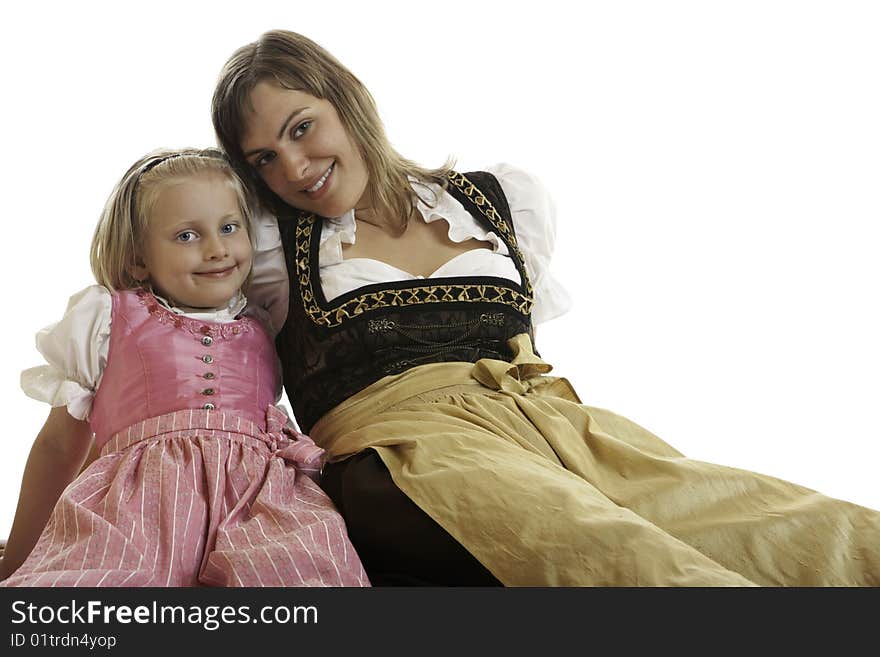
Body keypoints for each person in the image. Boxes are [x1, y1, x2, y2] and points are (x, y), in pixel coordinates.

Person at [211, 29, 880, 586]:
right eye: (266, 159)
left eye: (303, 129)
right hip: (410, 452)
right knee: (630, 560)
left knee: (807, 528)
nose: (296, 168)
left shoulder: (500, 201)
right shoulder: (268, 248)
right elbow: (162, 319)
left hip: (562, 430)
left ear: (346, 99)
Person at [0, 147, 369, 587]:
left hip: (259, 509)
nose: (216, 249)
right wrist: (18, 559)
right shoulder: (108, 318)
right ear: (138, 257)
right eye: (187, 236)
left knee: (309, 578)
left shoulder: (267, 321)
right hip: (138, 515)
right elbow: (60, 448)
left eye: (229, 228)